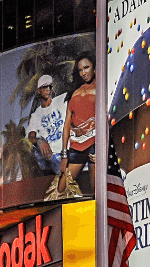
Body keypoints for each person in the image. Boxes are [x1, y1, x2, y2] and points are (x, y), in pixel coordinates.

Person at [58, 53, 97, 195]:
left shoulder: (102, 86)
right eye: (80, 70)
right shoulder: (75, 92)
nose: (83, 73)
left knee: (96, 192)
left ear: (94, 66)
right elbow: (67, 125)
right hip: (76, 146)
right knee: (61, 189)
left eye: (86, 68)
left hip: (94, 144)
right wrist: (64, 155)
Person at [27, 75, 68, 175]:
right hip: (53, 157)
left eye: (50, 86)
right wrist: (40, 141)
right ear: (39, 91)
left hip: (67, 152)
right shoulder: (36, 115)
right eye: (45, 87)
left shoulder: (61, 100)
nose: (48, 89)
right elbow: (30, 137)